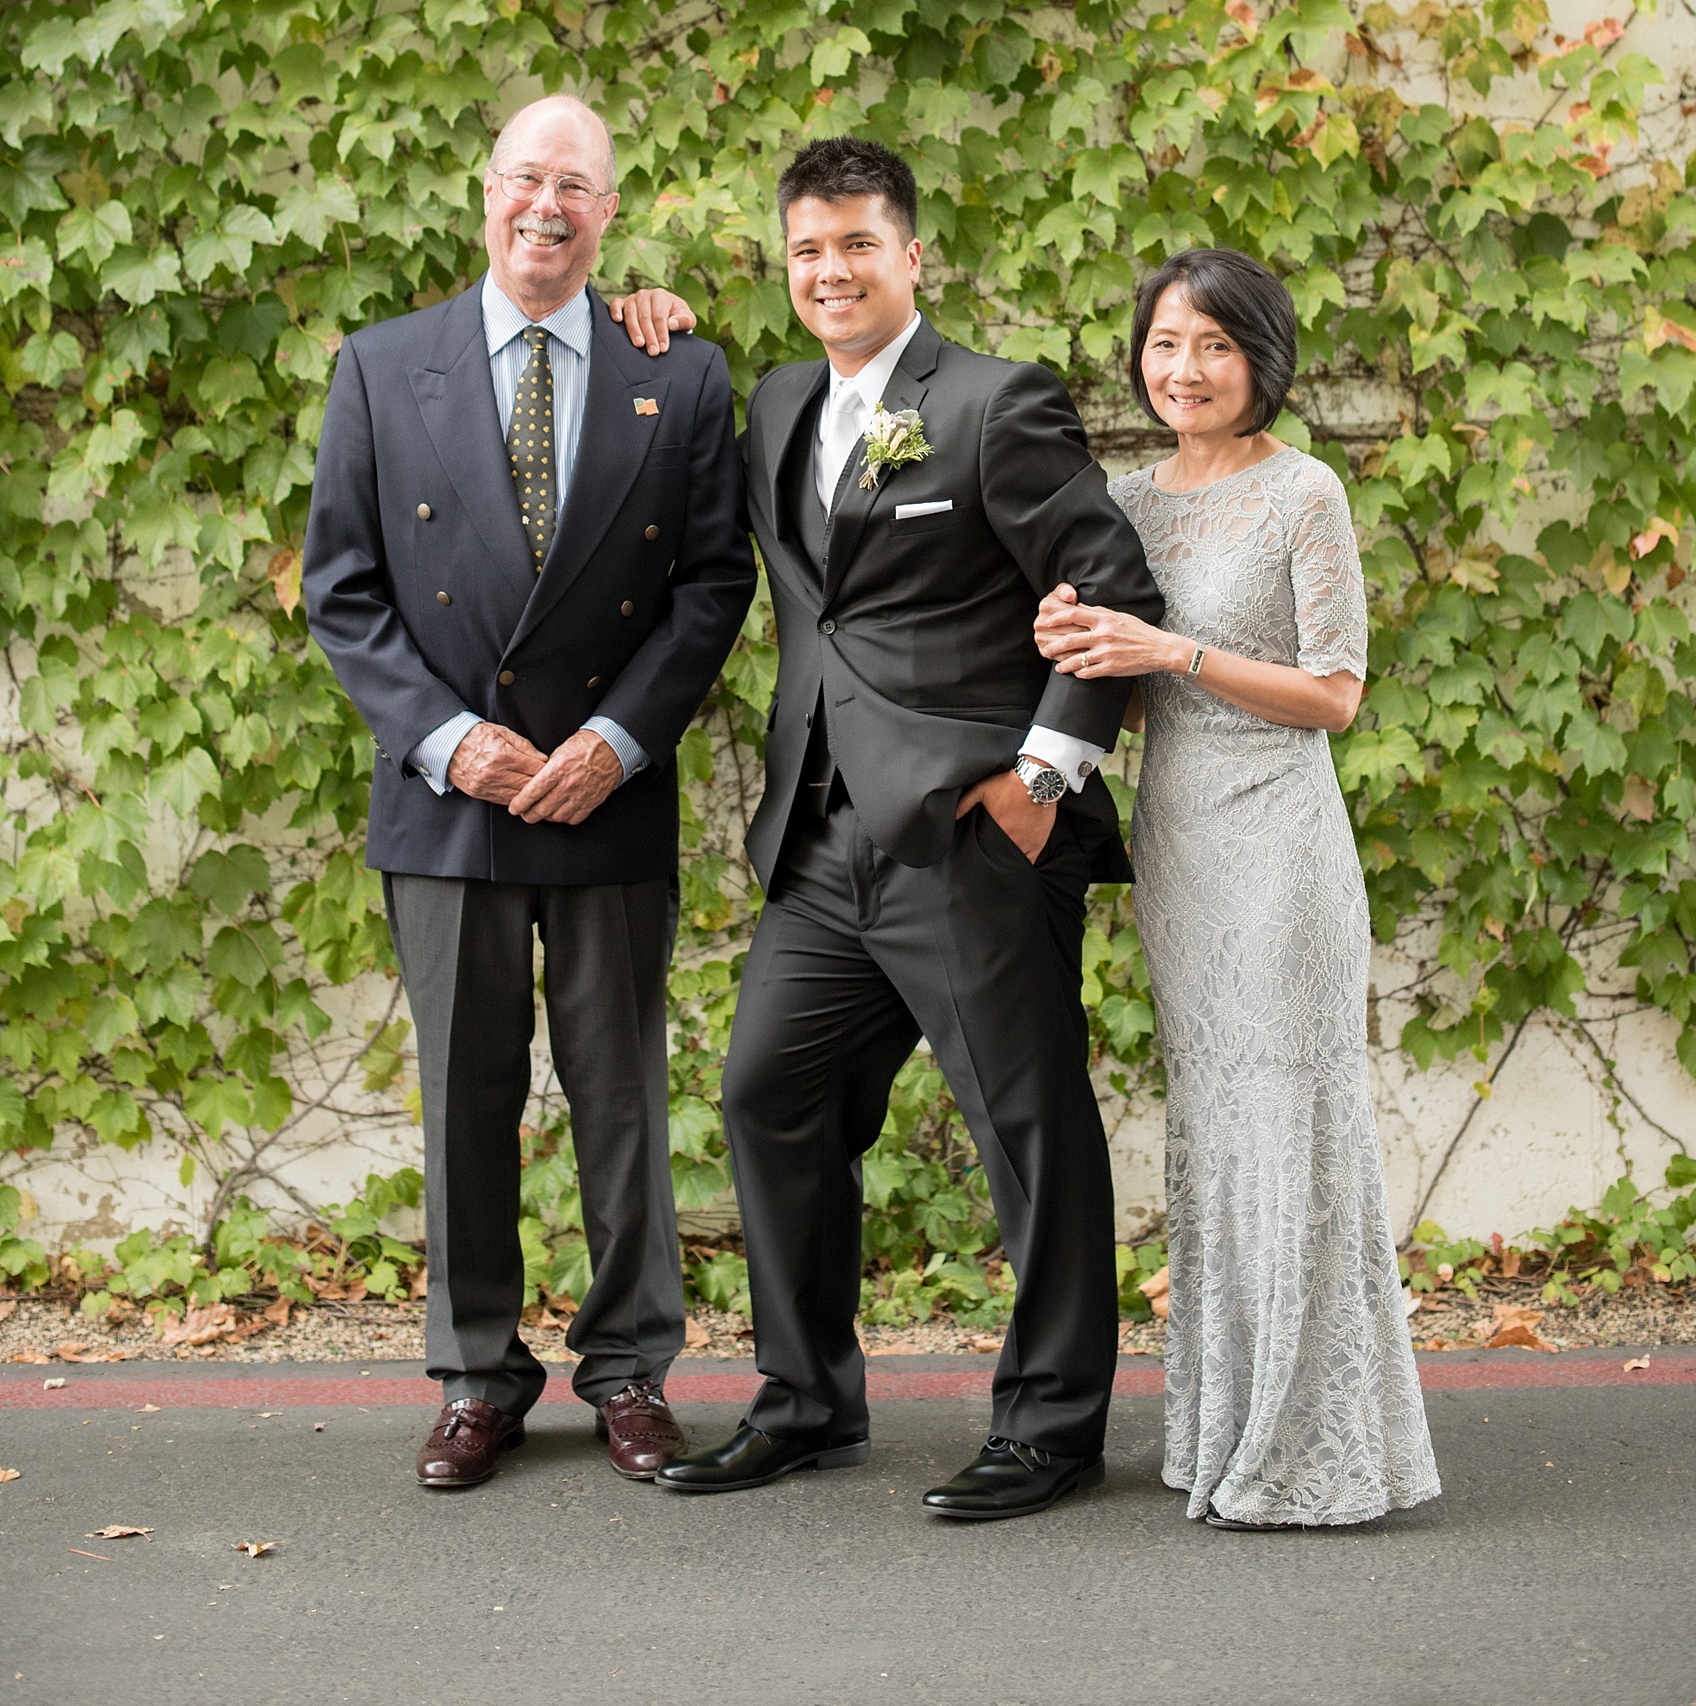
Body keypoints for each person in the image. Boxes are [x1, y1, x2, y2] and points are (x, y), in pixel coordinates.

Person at [647, 137, 1166, 1521]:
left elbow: (1109, 583)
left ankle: (1052, 1425)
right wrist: (640, 319)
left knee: (1028, 1130)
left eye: (858, 243)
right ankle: (808, 1400)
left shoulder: (996, 403)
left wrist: (1038, 779)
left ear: (911, 254)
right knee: (768, 1090)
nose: (831, 269)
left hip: (971, 835)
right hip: (820, 841)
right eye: (808, 247)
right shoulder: (770, 405)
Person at [302, 94, 756, 1490]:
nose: (546, 203)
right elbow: (346, 588)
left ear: (611, 213)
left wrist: (618, 738)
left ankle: (628, 1367)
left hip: (604, 793)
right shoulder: (383, 366)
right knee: (464, 1093)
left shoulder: (674, 371)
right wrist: (449, 739)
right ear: (484, 191)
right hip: (451, 801)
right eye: (524, 176)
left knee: (621, 1095)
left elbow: (712, 581)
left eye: (577, 183)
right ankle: (477, 1374)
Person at [1034, 247, 1440, 1528]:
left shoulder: (1300, 493)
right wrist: (1066, 636)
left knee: (1291, 1130)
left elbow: (1333, 693)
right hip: (1178, 853)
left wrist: (1174, 647)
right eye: (1163, 342)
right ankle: (1222, 1433)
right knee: (1215, 1130)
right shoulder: (1122, 501)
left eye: (1212, 344)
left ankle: (1314, 1447)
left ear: (1259, 358)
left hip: (1279, 849)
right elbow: (1100, 669)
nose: (1185, 368)